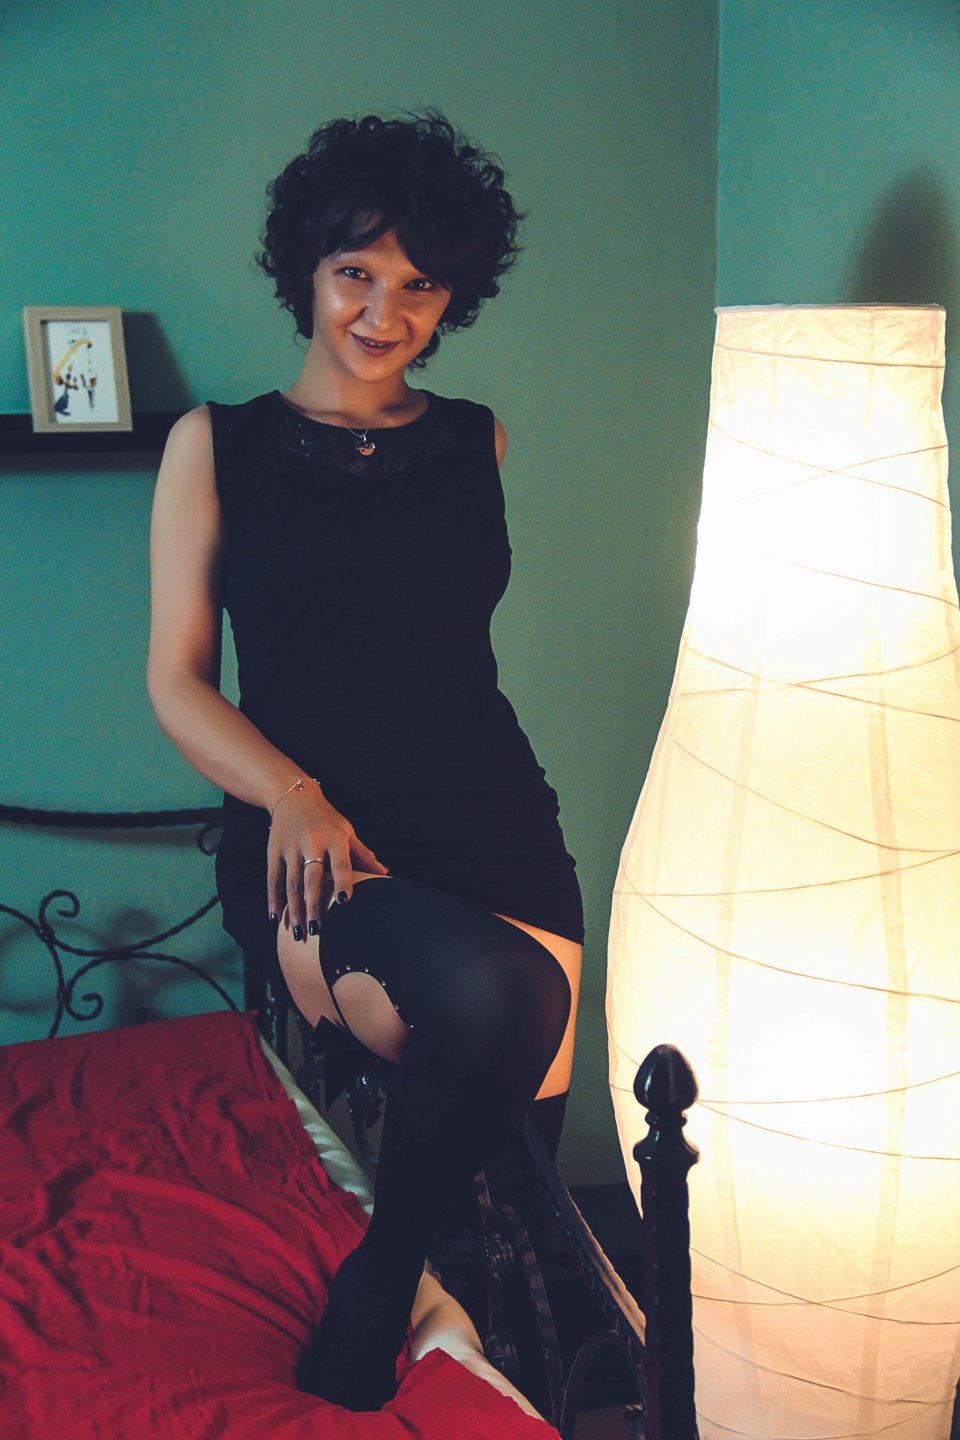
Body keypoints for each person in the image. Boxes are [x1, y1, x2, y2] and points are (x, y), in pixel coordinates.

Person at [146, 111, 584, 1412]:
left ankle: (506, 1377)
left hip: (498, 828)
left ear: (454, 296)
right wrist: (290, 791)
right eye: (356, 272)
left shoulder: (476, 439)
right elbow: (175, 681)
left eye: (419, 283)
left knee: (519, 1178)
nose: (384, 312)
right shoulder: (215, 445)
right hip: (314, 842)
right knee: (493, 1007)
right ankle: (384, 1283)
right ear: (307, 267)